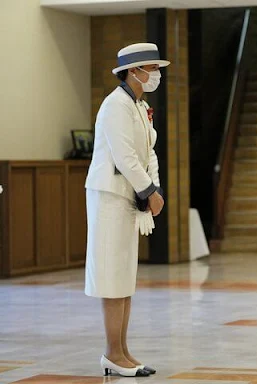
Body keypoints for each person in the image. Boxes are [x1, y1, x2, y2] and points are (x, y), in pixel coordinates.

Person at [84, 43, 169, 377]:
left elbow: (150, 153)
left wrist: (155, 188)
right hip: (110, 197)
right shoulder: (115, 105)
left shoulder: (139, 105)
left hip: (129, 197)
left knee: (124, 276)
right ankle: (111, 352)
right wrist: (148, 191)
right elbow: (124, 156)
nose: (157, 75)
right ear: (134, 71)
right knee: (111, 275)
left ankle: (123, 351)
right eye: (153, 68)